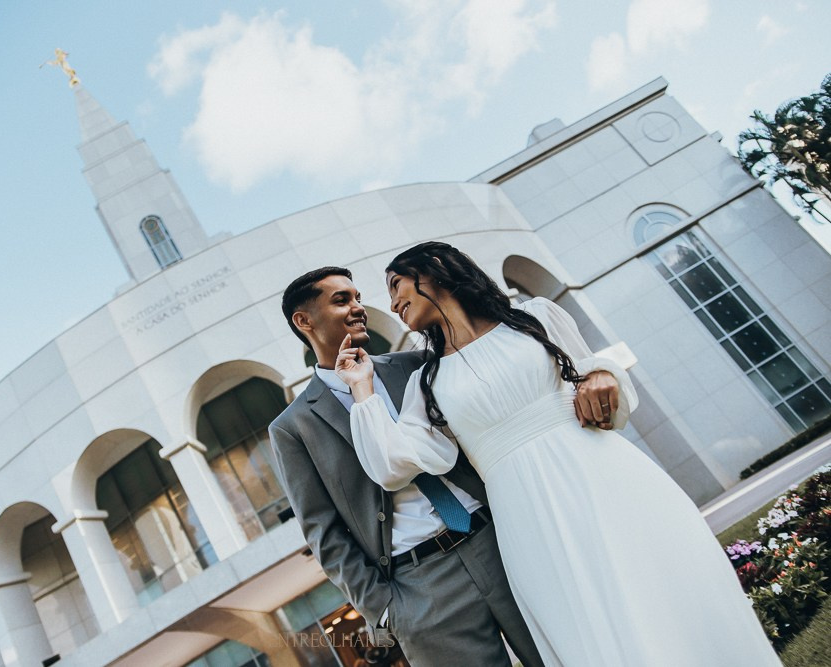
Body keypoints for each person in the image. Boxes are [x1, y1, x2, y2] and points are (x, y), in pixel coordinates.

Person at [336, 242, 781, 667]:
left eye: (396, 285)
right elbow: (392, 466)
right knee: (588, 623)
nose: (392, 304)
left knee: (664, 586)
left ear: (432, 271)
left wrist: (599, 377)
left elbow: (590, 370)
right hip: (526, 514)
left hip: (602, 474)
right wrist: (361, 386)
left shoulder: (534, 318)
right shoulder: (428, 380)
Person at [268, 267, 544, 666]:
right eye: (342, 300)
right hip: (419, 589)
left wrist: (590, 374)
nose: (358, 307)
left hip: (499, 542)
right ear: (303, 320)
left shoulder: (416, 364)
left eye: (358, 297)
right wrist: (384, 610)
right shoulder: (293, 428)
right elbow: (322, 532)